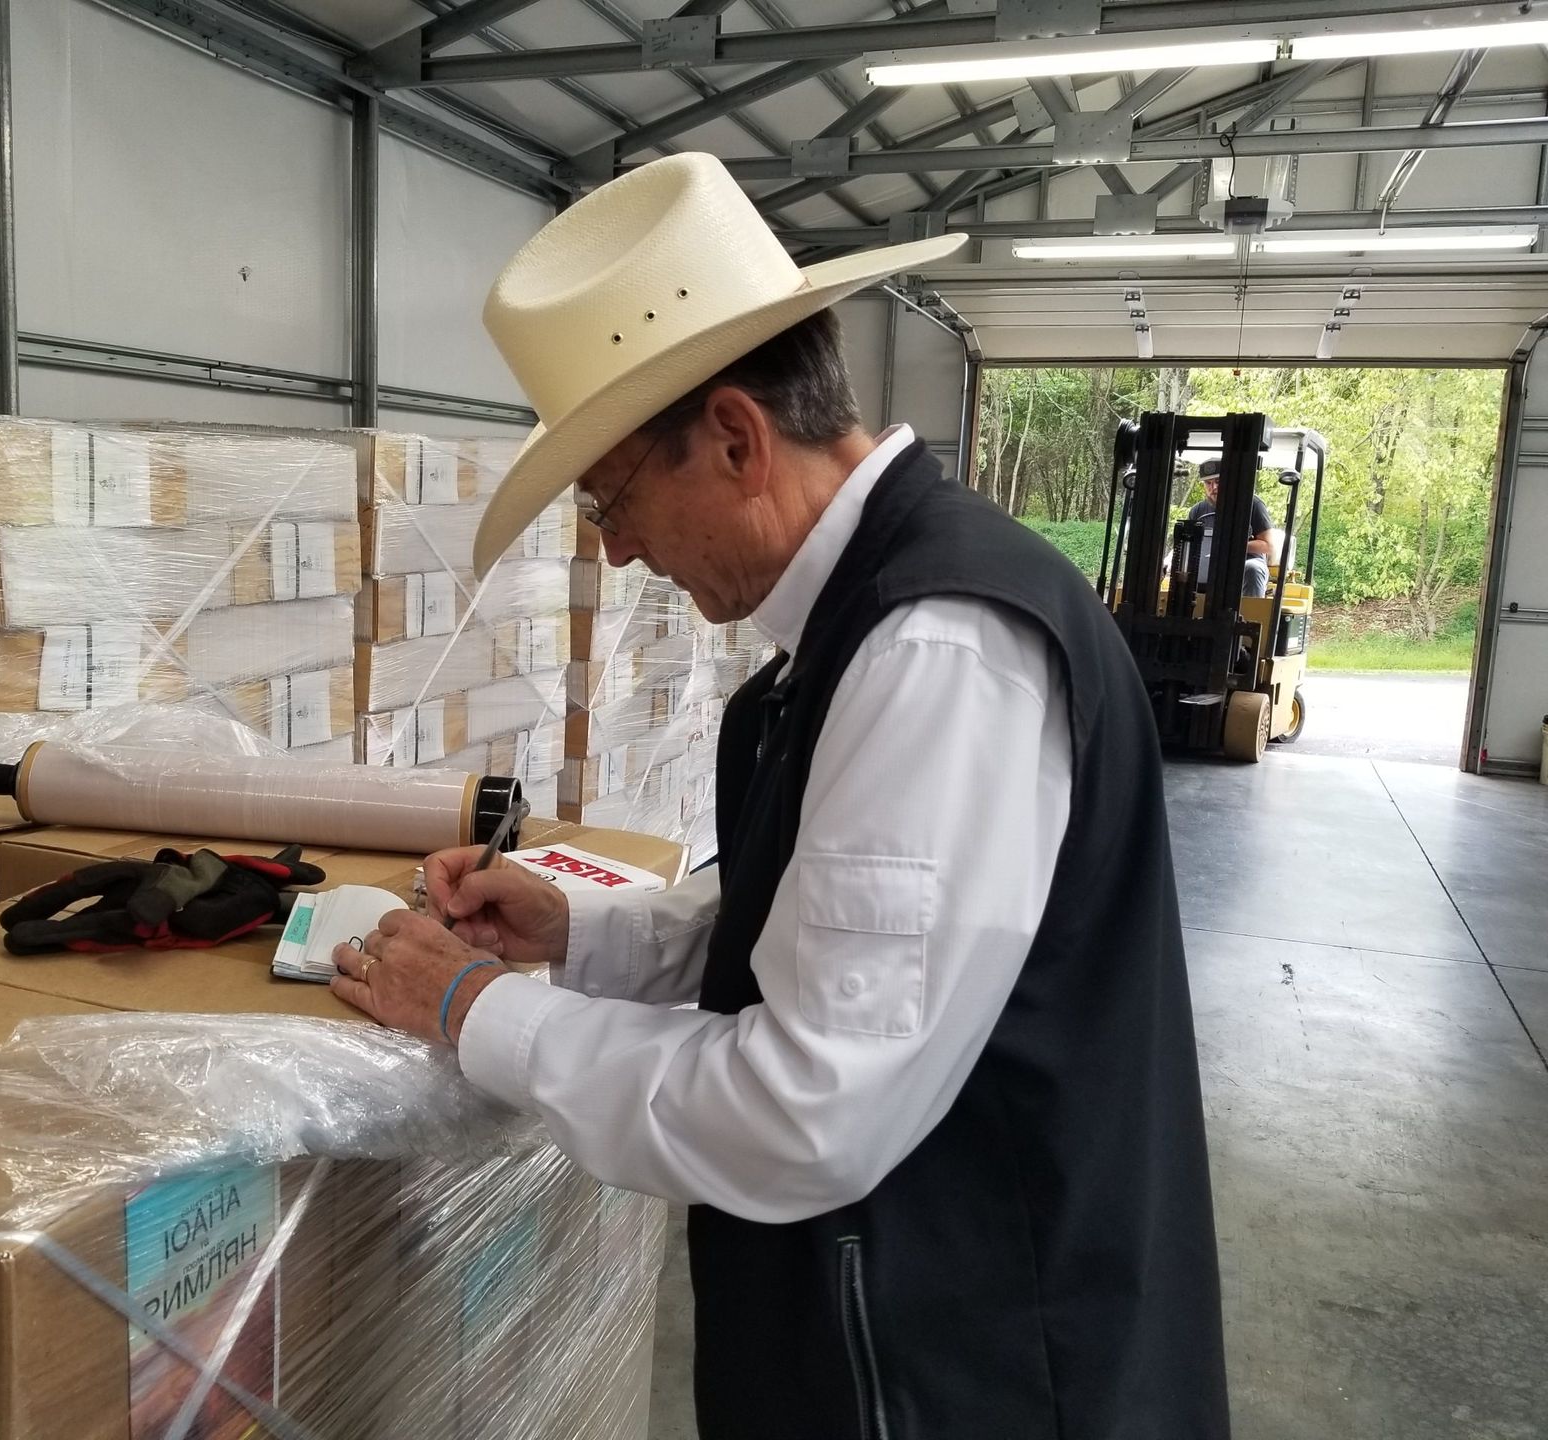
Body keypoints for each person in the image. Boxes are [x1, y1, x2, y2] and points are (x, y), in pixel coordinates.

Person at [328, 153, 1230, 1439]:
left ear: (740, 438)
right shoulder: (857, 637)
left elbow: (807, 1106)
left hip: (965, 1376)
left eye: (614, 499)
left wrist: (478, 1013)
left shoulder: (937, 652)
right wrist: (585, 936)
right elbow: (818, 928)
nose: (619, 548)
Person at [1190, 455, 1283, 597]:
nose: (1213, 487)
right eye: (1208, 483)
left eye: (1218, 481)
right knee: (1183, 571)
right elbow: (1189, 543)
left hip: (1245, 561)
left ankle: (1250, 616)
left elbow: (1268, 545)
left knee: (1253, 569)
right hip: (1208, 563)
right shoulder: (1198, 510)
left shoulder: (1252, 504)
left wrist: (1234, 545)